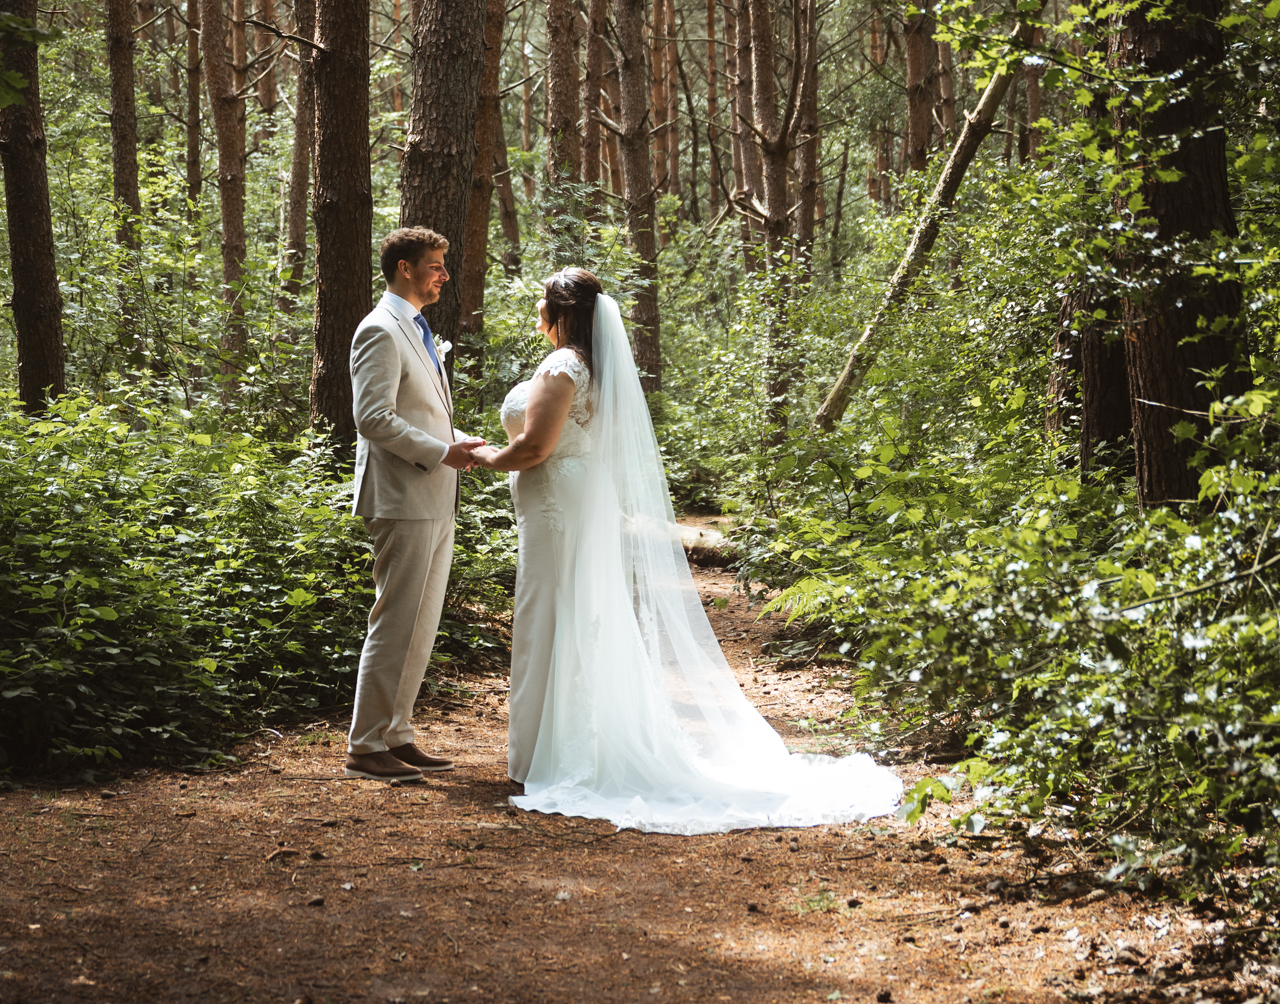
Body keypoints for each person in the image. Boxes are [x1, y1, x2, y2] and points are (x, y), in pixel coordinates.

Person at [471, 268, 902, 833]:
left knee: (550, 613)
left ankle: (546, 758)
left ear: (560, 311)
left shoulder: (561, 366)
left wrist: (476, 455)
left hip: (558, 504)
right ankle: (558, 746)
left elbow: (531, 449)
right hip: (574, 498)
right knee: (576, 613)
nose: (536, 316)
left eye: (540, 306)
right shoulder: (594, 367)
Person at [342, 226, 486, 782]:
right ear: (405, 268)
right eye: (434, 266)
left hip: (434, 493)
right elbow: (372, 417)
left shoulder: (417, 328)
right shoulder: (379, 329)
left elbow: (420, 410)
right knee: (395, 620)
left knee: (421, 624)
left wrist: (455, 446)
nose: (443, 275)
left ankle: (396, 731)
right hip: (402, 494)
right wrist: (440, 453)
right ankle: (364, 743)